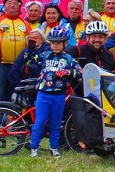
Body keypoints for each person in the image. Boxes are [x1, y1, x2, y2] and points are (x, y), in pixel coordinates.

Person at [30, 26, 81, 158]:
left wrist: (68, 72)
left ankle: (54, 148)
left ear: (65, 43)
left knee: (55, 123)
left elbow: (80, 73)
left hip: (59, 95)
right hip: (43, 94)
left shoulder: (69, 59)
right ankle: (34, 147)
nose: (55, 46)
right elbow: (30, 62)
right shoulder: (45, 55)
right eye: (53, 43)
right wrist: (30, 50)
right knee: (40, 122)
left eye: (58, 43)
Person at [0, 0, 30, 103]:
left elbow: (31, 46)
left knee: (14, 97)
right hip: (0, 65)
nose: (12, 5)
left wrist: (27, 65)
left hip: (18, 66)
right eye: (9, 3)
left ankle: (10, 120)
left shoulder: (25, 24)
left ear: (20, 6)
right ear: (4, 5)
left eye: (15, 3)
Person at [65, 20, 115, 95]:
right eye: (94, 36)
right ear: (87, 37)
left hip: (103, 98)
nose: (97, 40)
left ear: (106, 39)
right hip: (78, 96)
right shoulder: (77, 50)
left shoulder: (110, 56)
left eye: (100, 37)